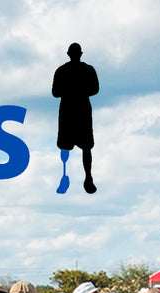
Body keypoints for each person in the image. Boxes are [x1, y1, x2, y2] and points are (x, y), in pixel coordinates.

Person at [52, 43, 99, 194]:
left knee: (69, 145)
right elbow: (95, 89)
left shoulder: (61, 71)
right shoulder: (88, 70)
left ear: (68, 54)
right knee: (84, 146)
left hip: (69, 110)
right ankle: (87, 176)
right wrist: (81, 91)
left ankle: (69, 173)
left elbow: (55, 92)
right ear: (81, 53)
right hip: (81, 110)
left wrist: (69, 91)